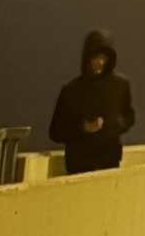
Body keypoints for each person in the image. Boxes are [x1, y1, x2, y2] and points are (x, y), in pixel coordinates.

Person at [48, 30, 136, 175]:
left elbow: (129, 118)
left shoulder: (120, 86)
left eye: (104, 58)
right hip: (79, 165)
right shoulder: (71, 90)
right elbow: (55, 132)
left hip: (109, 162)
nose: (101, 62)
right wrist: (83, 128)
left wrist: (117, 125)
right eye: (96, 58)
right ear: (87, 58)